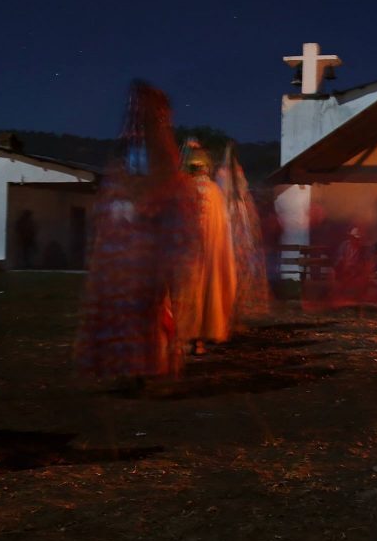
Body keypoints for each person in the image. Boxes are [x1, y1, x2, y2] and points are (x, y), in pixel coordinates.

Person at [75, 81, 199, 385]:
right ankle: (131, 368)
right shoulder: (138, 162)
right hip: (129, 261)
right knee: (132, 313)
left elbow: (168, 208)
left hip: (144, 261)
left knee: (146, 313)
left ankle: (144, 367)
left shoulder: (159, 164)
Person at [175, 143, 237, 356]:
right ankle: (198, 341)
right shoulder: (214, 191)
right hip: (208, 257)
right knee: (207, 292)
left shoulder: (183, 189)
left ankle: (183, 338)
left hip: (185, 257)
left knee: (186, 293)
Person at [215, 142, 271, 325]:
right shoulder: (226, 174)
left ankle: (235, 309)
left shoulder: (233, 173)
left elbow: (240, 190)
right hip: (229, 215)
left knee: (240, 263)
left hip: (235, 215)